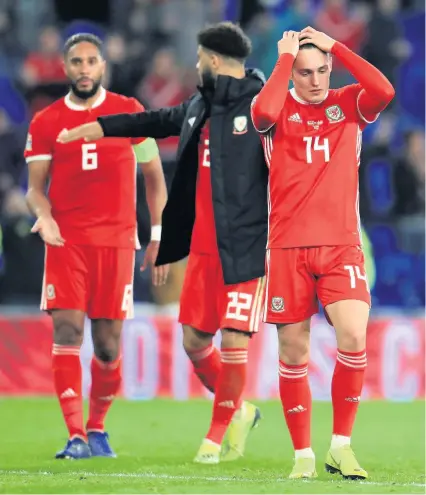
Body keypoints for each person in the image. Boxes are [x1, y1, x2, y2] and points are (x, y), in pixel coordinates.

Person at [58, 22, 269, 464]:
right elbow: (151, 120)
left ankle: (215, 436)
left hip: (244, 248)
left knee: (234, 341)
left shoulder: (262, 108)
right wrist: (99, 127)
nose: (194, 65)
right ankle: (241, 411)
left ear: (213, 59)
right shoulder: (198, 106)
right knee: (194, 341)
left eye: (198, 58)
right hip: (202, 248)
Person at [251, 27, 395, 479]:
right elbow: (263, 110)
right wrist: (282, 58)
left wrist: (338, 47)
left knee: (353, 336)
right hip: (287, 246)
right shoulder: (276, 109)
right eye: (305, 72)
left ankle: (341, 446)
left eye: (322, 71)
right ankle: (303, 458)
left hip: (341, 245)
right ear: (291, 72)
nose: (315, 80)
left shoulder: (349, 102)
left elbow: (384, 89)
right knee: (293, 353)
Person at [24, 33, 168, 459]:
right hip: (66, 241)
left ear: (103, 66)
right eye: (76, 62)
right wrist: (45, 216)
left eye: (91, 61)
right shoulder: (46, 121)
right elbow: (34, 189)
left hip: (118, 243)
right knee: (67, 331)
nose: (84, 69)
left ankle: (97, 427)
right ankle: (75, 436)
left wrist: (157, 235)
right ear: (65, 68)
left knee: (107, 344)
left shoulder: (130, 111)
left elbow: (155, 179)